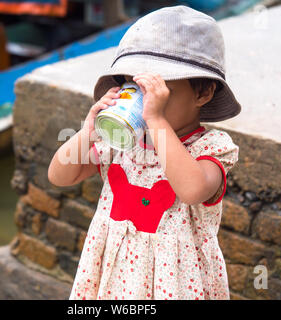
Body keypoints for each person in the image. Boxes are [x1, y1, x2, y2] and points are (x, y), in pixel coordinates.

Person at [48, 5, 241, 300]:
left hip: (176, 285)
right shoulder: (122, 142)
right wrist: (88, 133)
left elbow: (192, 190)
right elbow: (60, 176)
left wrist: (156, 120)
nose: (144, 103)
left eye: (159, 93)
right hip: (115, 280)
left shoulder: (210, 147)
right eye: (134, 88)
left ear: (202, 93)